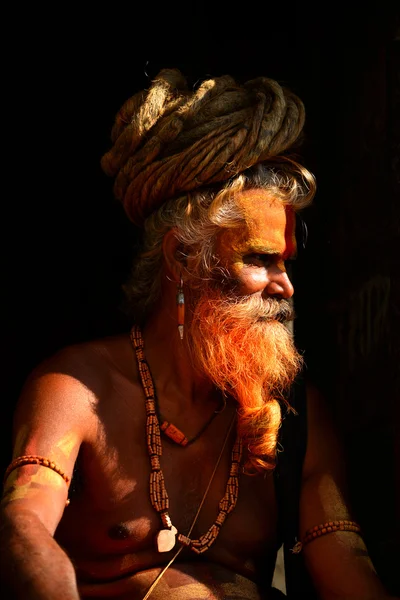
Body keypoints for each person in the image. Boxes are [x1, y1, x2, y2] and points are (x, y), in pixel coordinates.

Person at [0, 68, 396, 600]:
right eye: (259, 260)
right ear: (183, 258)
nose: (286, 288)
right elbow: (22, 528)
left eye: (288, 264)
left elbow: (351, 575)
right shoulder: (75, 388)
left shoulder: (297, 420)